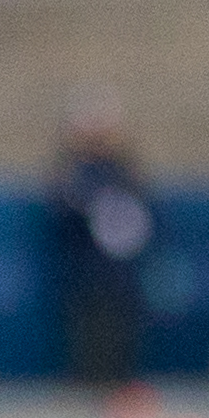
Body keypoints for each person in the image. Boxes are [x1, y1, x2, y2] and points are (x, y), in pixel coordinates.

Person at [46, 104, 156, 391]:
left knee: (120, 349)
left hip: (121, 282)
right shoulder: (74, 174)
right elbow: (63, 213)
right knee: (89, 347)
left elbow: (143, 221)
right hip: (86, 281)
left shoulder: (123, 173)